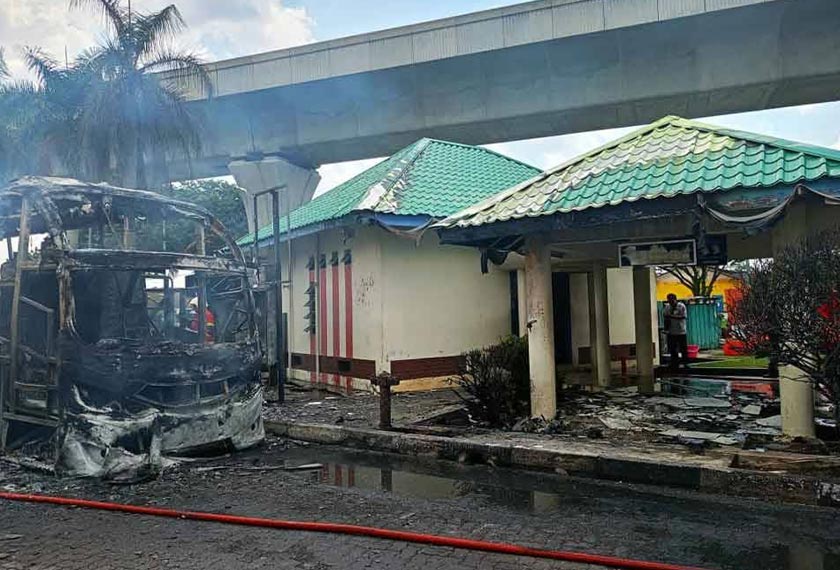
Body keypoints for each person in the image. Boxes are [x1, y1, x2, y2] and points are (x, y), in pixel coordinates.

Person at [663, 293, 689, 370]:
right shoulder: (667, 307)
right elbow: (665, 317)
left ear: (675, 299)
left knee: (683, 349)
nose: (670, 302)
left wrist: (672, 316)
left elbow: (683, 316)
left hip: (681, 331)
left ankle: (685, 363)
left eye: (672, 300)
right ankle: (674, 364)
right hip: (671, 331)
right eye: (669, 300)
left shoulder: (681, 306)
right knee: (672, 349)